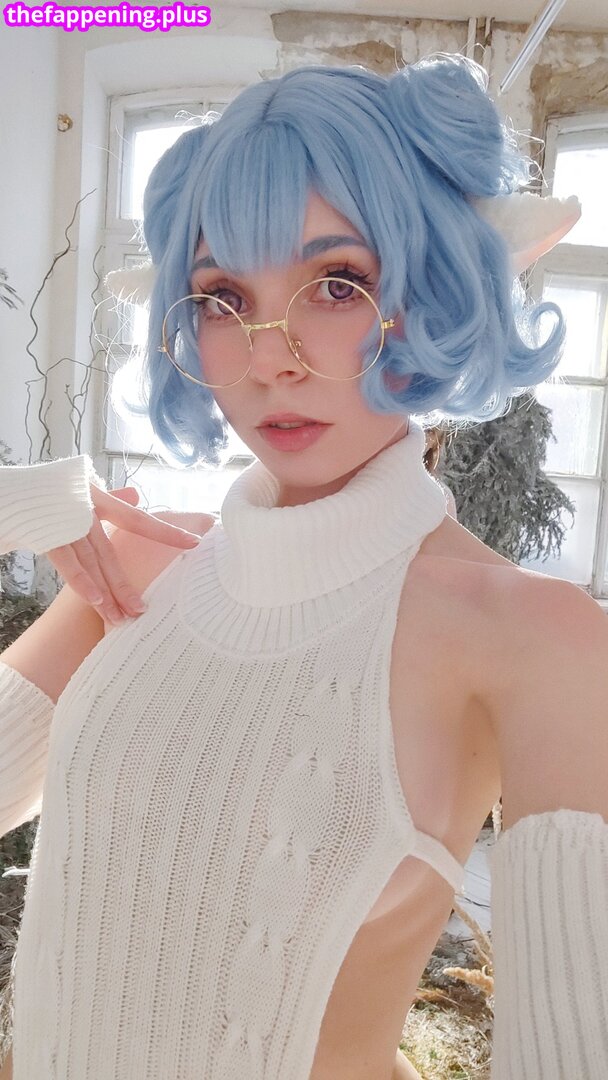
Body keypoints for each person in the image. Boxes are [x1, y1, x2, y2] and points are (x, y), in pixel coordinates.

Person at [0, 53, 606, 1080]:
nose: (269, 355)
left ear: (428, 292)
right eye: (221, 297)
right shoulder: (141, 569)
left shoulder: (534, 638)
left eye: (336, 284)